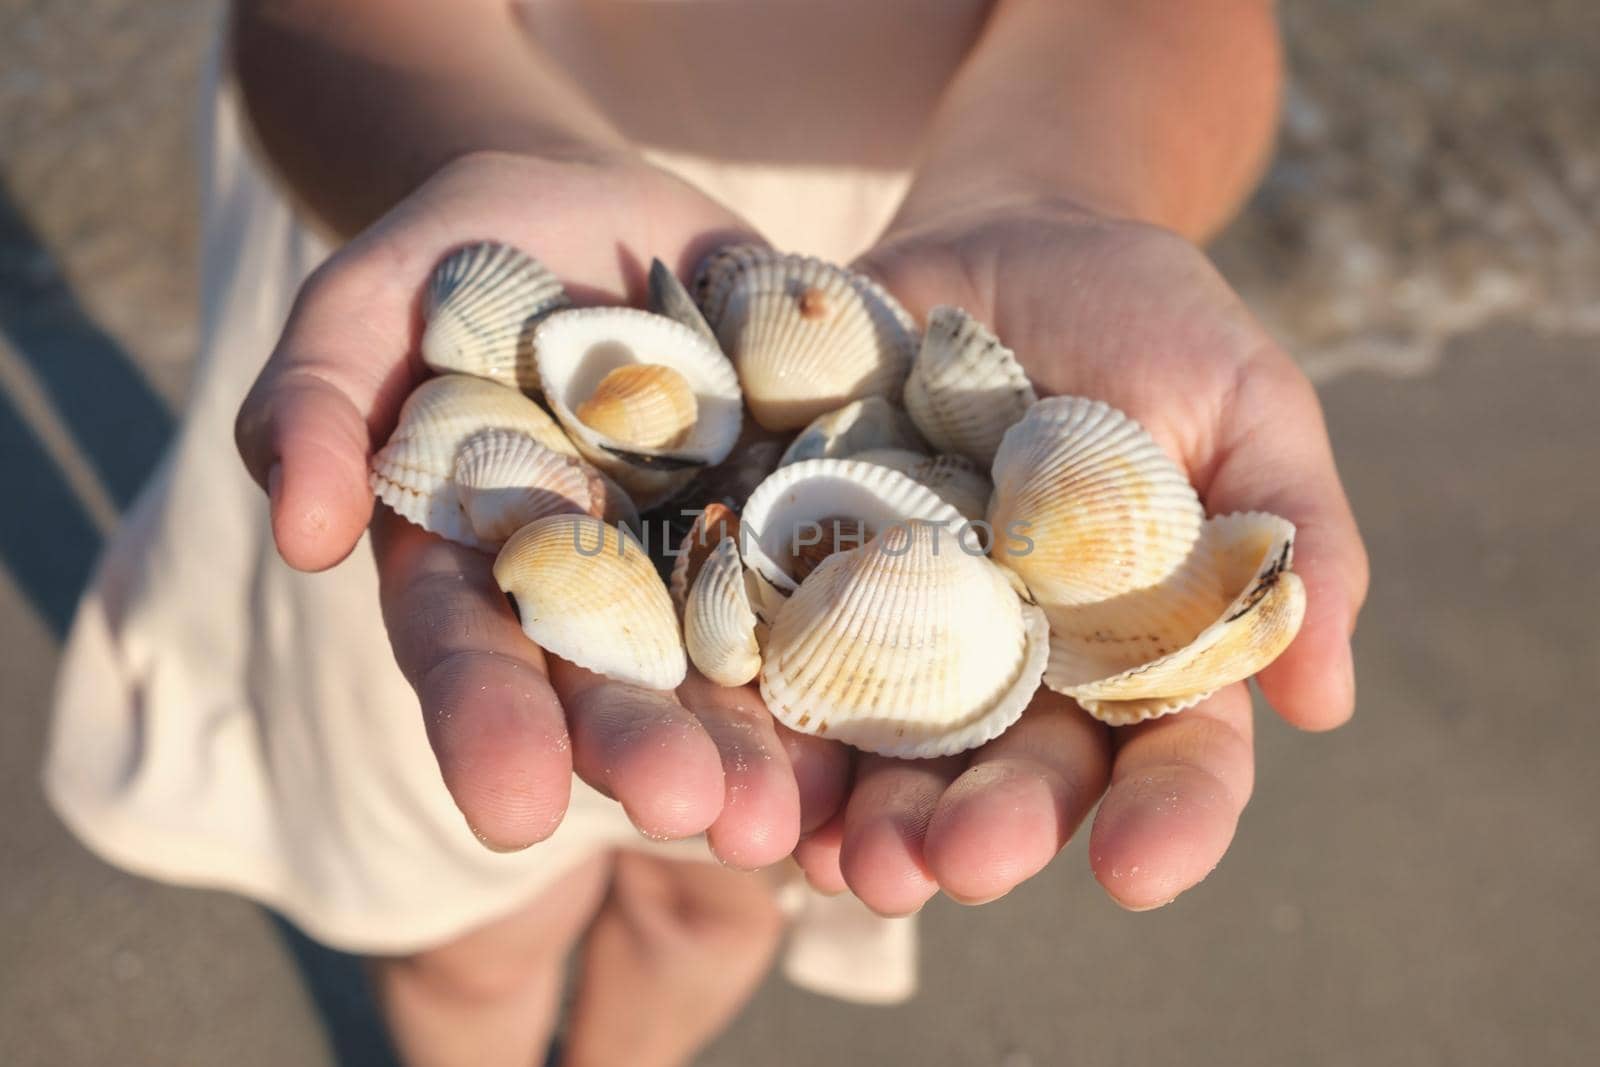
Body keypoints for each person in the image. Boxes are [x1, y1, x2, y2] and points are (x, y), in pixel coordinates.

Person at [46, 1, 1369, 1064]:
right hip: (488, 229)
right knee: (460, 942)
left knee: (717, 893)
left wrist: (1066, 197)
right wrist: (472, 147)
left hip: (909, 292)